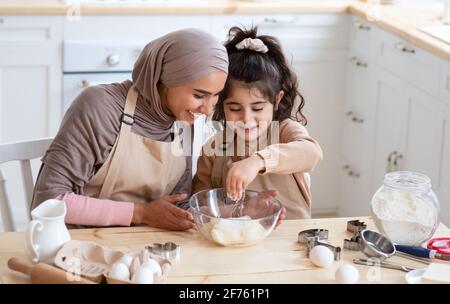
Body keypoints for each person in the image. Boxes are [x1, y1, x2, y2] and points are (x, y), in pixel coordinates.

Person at [31, 29, 228, 230]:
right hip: (81, 248)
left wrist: (235, 213)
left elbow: (178, 203)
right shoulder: (100, 107)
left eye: (216, 96)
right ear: (165, 79)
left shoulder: (184, 121)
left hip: (145, 246)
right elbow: (49, 201)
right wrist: (140, 213)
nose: (208, 110)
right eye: (199, 95)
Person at [193, 26, 323, 219]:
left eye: (257, 108)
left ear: (276, 100)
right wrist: (240, 211)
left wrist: (257, 161)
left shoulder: (285, 131)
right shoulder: (213, 149)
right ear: (221, 104)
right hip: (237, 241)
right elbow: (201, 207)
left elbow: (312, 153)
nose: (246, 119)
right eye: (235, 109)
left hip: (292, 239)